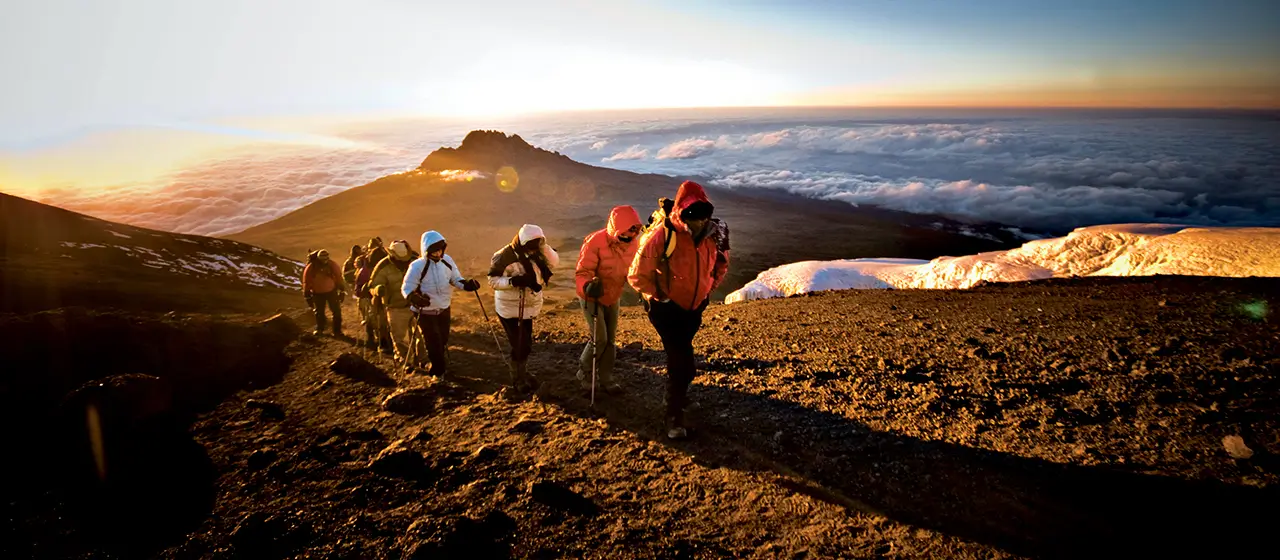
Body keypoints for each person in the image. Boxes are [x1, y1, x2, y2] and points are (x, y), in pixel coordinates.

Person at [629, 180, 728, 440]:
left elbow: (720, 265)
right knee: (680, 363)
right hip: (667, 311)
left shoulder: (713, 235)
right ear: (682, 211)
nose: (698, 220)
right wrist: (662, 298)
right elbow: (637, 276)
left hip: (693, 309)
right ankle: (672, 416)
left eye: (703, 213)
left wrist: (706, 292)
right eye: (692, 214)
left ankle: (679, 399)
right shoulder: (663, 235)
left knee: (685, 360)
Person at [575, 205, 643, 395]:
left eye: (633, 231)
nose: (629, 236)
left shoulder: (634, 245)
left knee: (611, 341)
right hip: (591, 295)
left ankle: (606, 378)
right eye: (625, 232)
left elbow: (635, 273)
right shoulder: (595, 241)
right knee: (600, 338)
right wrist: (587, 286)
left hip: (613, 295)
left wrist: (644, 292)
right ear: (616, 228)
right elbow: (583, 271)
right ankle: (585, 372)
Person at [488, 224, 559, 392]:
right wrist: (513, 282)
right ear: (523, 243)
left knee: (525, 344)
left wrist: (543, 245)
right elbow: (492, 280)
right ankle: (518, 378)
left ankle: (522, 373)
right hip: (508, 308)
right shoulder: (503, 256)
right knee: (519, 344)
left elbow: (554, 262)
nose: (533, 251)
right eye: (531, 246)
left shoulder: (538, 251)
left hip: (528, 307)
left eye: (536, 245)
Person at [401, 230, 481, 375]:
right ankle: (438, 371)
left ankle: (438, 365)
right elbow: (407, 287)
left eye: (440, 250)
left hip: (444, 308)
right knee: (433, 342)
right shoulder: (417, 266)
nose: (438, 254)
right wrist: (415, 298)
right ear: (426, 250)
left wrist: (467, 285)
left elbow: (455, 279)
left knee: (443, 339)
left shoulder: (447, 261)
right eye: (434, 251)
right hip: (424, 311)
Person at [368, 240, 417, 357]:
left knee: (420, 337)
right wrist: (377, 290)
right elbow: (372, 285)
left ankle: (423, 360)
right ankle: (404, 359)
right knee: (399, 338)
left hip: (416, 305)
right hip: (396, 307)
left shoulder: (415, 262)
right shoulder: (383, 266)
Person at [302, 249, 347, 337]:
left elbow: (338, 277)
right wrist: (307, 294)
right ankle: (324, 329)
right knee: (322, 312)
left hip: (328, 291)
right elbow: (307, 281)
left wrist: (341, 290)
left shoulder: (328, 265)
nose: (325, 260)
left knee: (333, 311)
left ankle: (333, 330)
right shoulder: (313, 267)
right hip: (320, 293)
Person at [353, 255, 377, 349]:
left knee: (368, 317)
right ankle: (375, 336)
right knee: (372, 317)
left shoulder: (362, 271)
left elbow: (358, 285)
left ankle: (371, 336)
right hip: (371, 297)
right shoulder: (372, 270)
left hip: (365, 297)